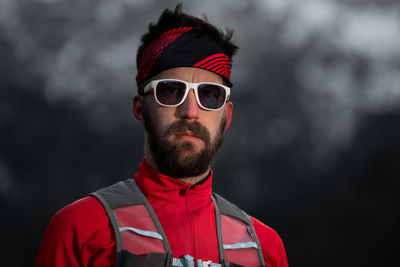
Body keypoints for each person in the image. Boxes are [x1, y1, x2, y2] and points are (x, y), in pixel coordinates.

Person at [35, 4, 288, 267]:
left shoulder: (264, 249)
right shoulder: (81, 230)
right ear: (139, 109)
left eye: (209, 95)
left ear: (227, 116)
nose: (190, 112)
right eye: (170, 91)